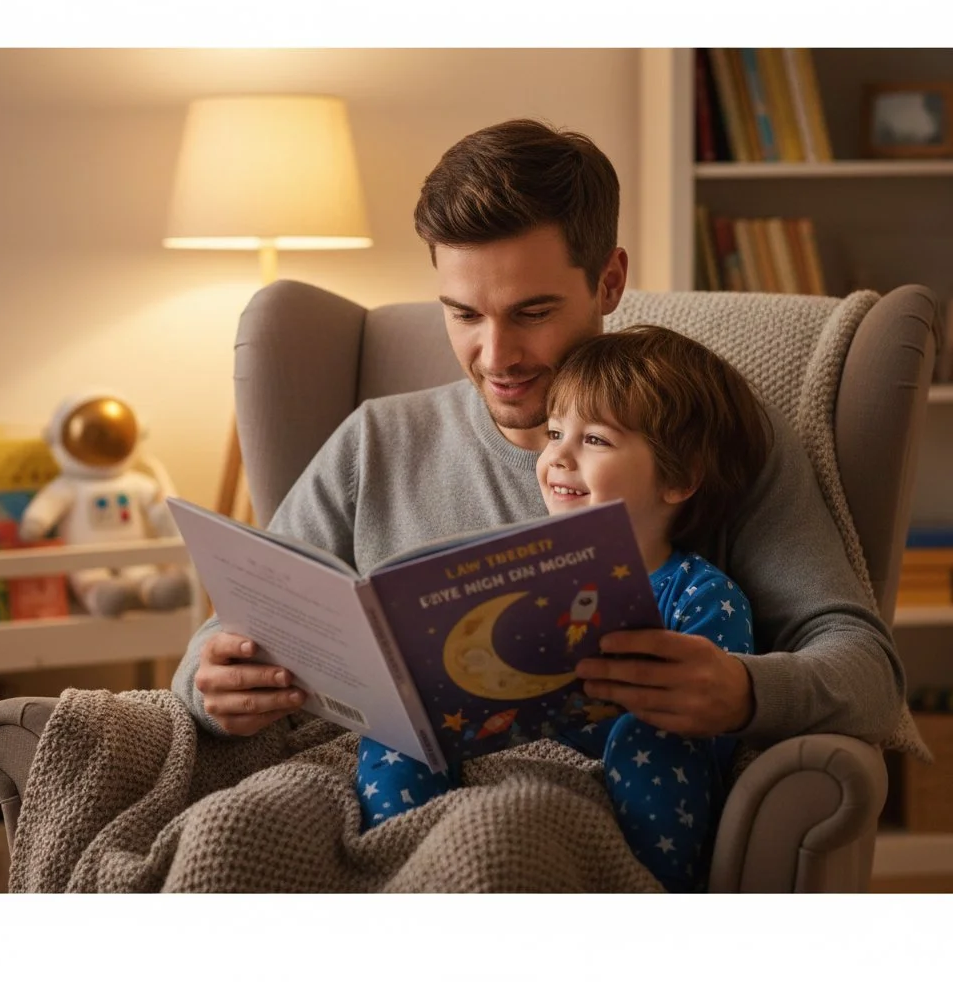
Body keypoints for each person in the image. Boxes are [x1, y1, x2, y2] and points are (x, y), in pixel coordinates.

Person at [173, 118, 904, 782]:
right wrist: (213, 686)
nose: (497, 356)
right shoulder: (375, 441)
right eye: (463, 314)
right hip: (357, 790)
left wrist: (744, 693)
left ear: (609, 281)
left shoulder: (702, 434)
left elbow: (868, 671)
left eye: (533, 312)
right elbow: (224, 637)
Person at [355, 325, 769, 891]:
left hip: (622, 785)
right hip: (493, 758)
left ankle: (643, 894)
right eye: (554, 433)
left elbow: (712, 719)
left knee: (652, 737)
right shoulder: (517, 574)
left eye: (594, 440)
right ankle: (414, 869)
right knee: (397, 727)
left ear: (679, 478)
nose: (558, 458)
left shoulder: (700, 593)